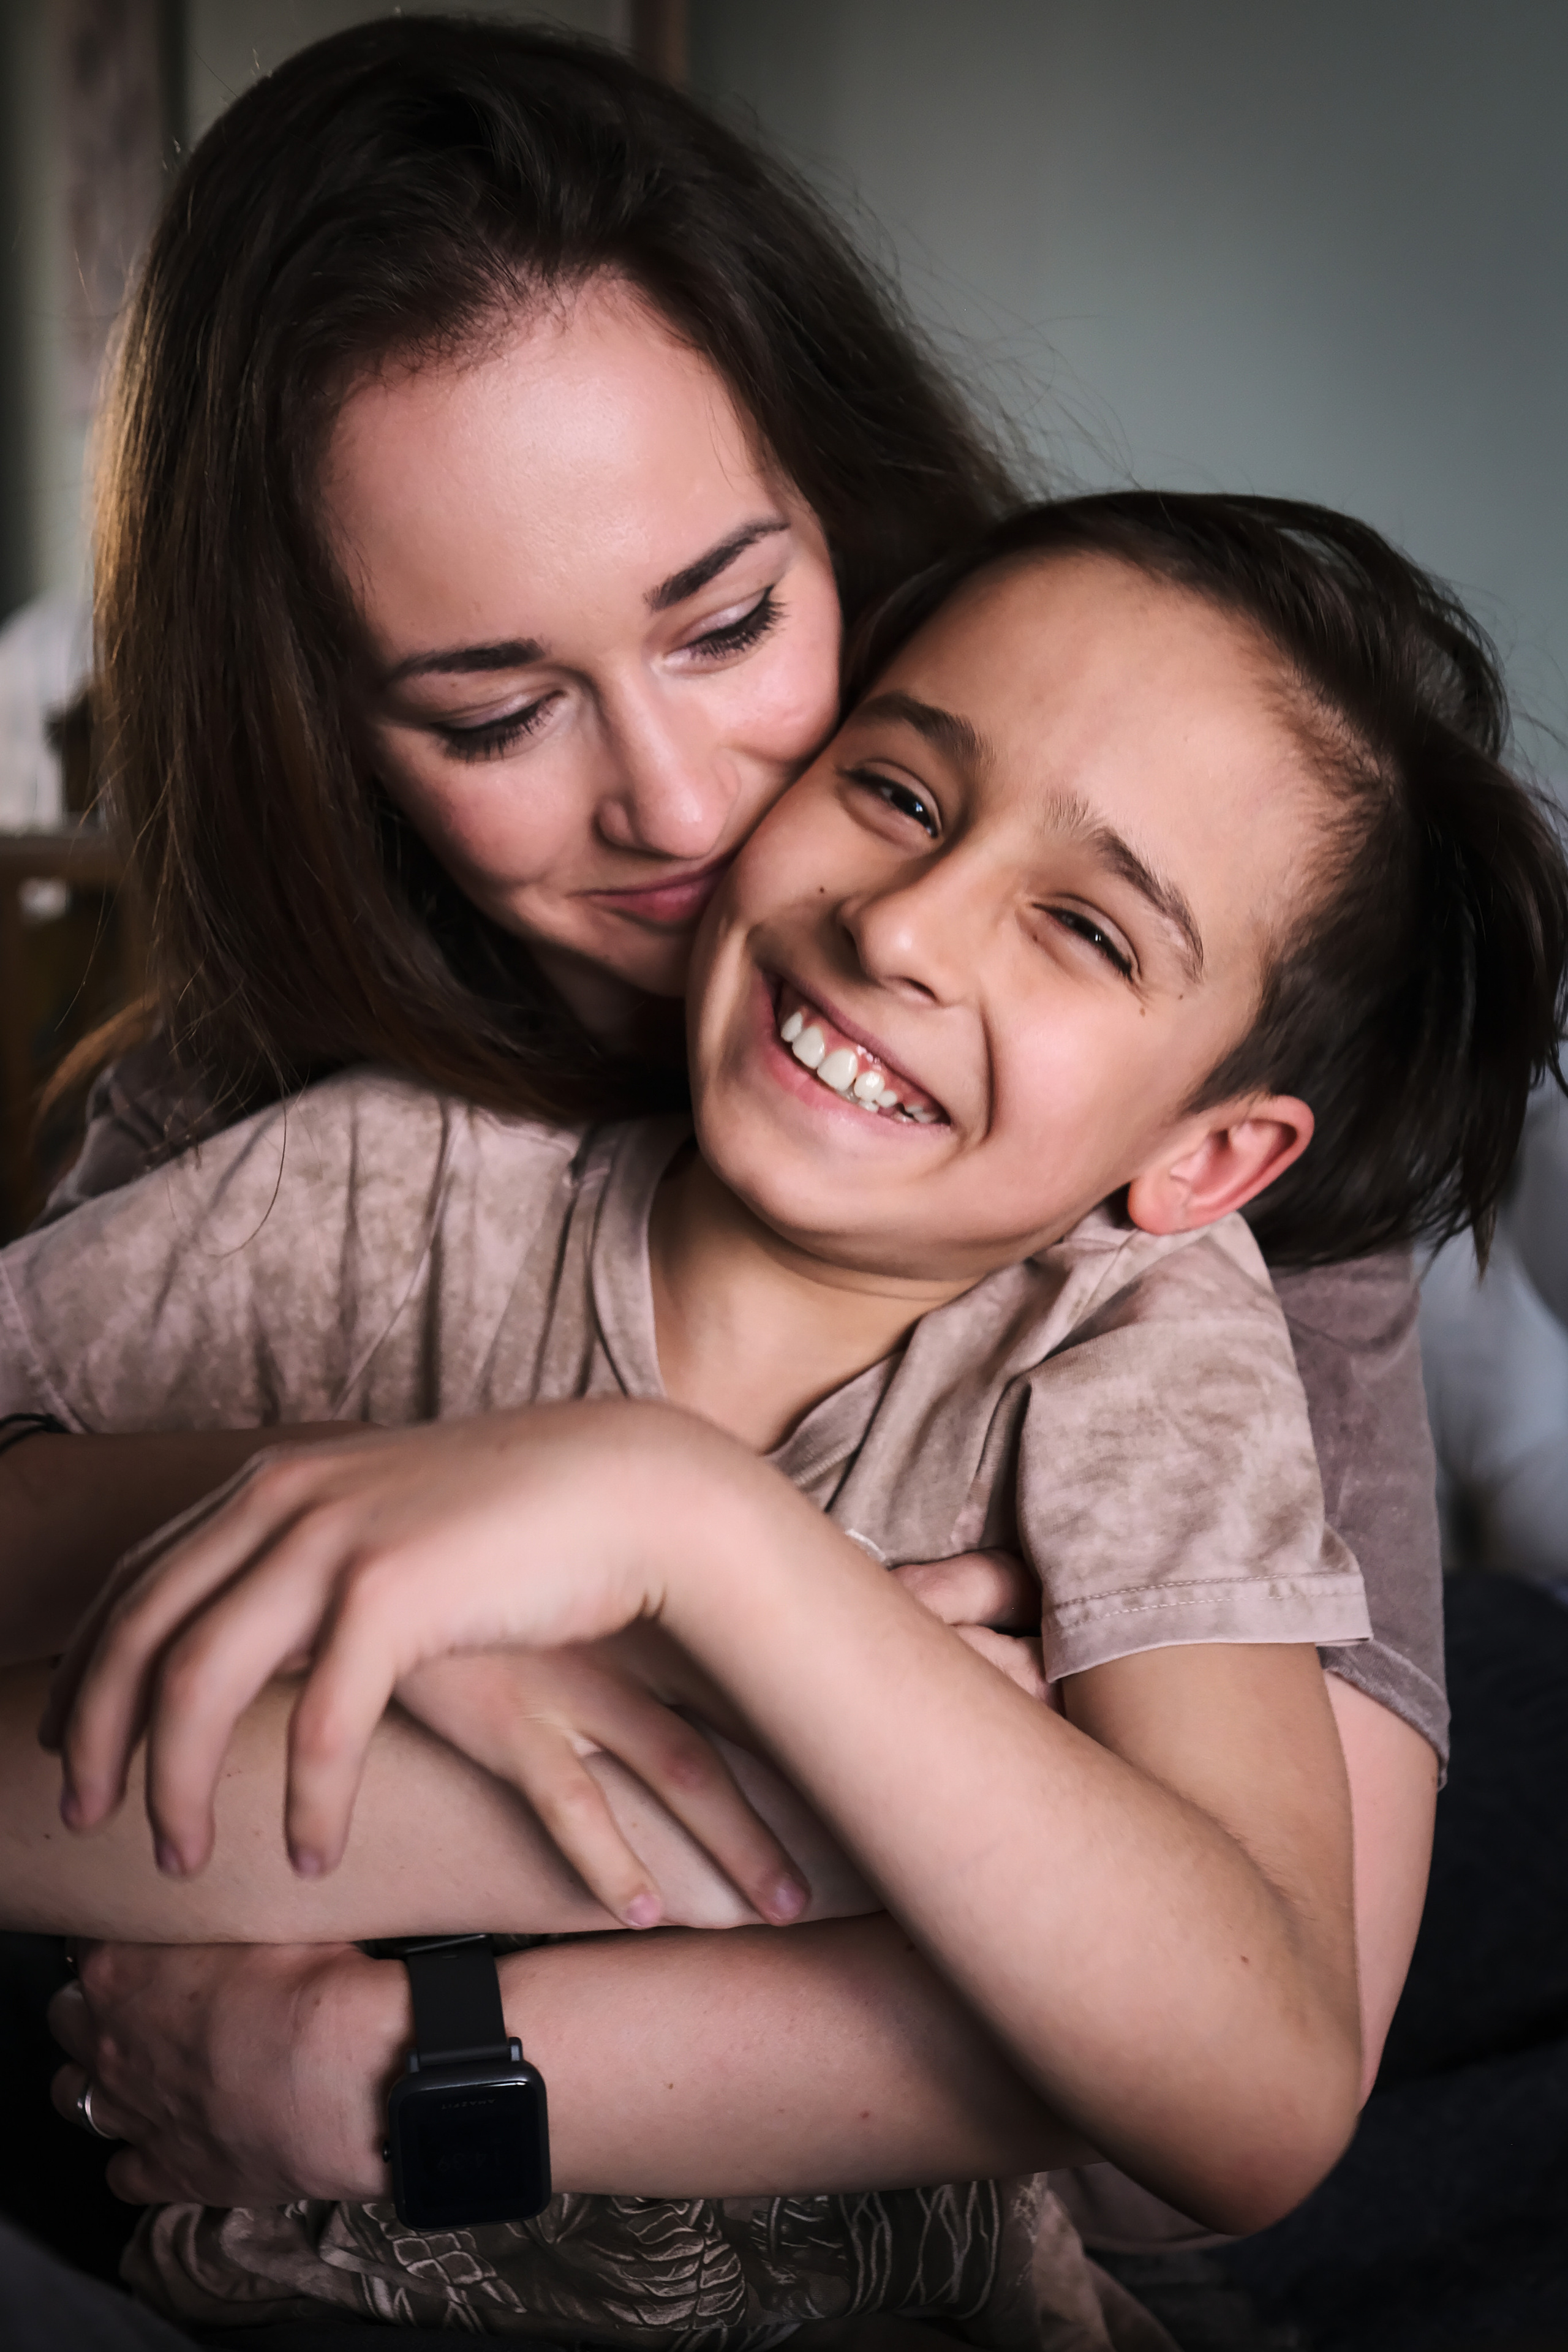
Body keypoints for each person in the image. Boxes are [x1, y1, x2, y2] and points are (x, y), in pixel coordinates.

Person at [0, 13, 1444, 2337]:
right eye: (491, 712)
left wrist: (417, 2047)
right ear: (324, 734)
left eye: (732, 622)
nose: (673, 804)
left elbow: (1224, 2129)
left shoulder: (1164, 1204)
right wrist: (398, 1521)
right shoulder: (286, 1149)